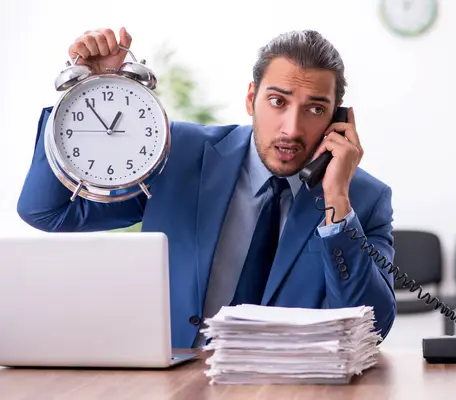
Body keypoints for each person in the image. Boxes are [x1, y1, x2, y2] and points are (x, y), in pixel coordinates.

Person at [17, 27, 397, 348]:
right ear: (251, 98)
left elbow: (373, 331)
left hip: (288, 387)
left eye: (315, 109)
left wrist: (336, 203)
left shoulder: (362, 200)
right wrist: (89, 92)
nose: (292, 129)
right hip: (176, 380)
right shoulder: (176, 154)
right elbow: (49, 211)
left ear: (338, 119)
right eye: (277, 101)